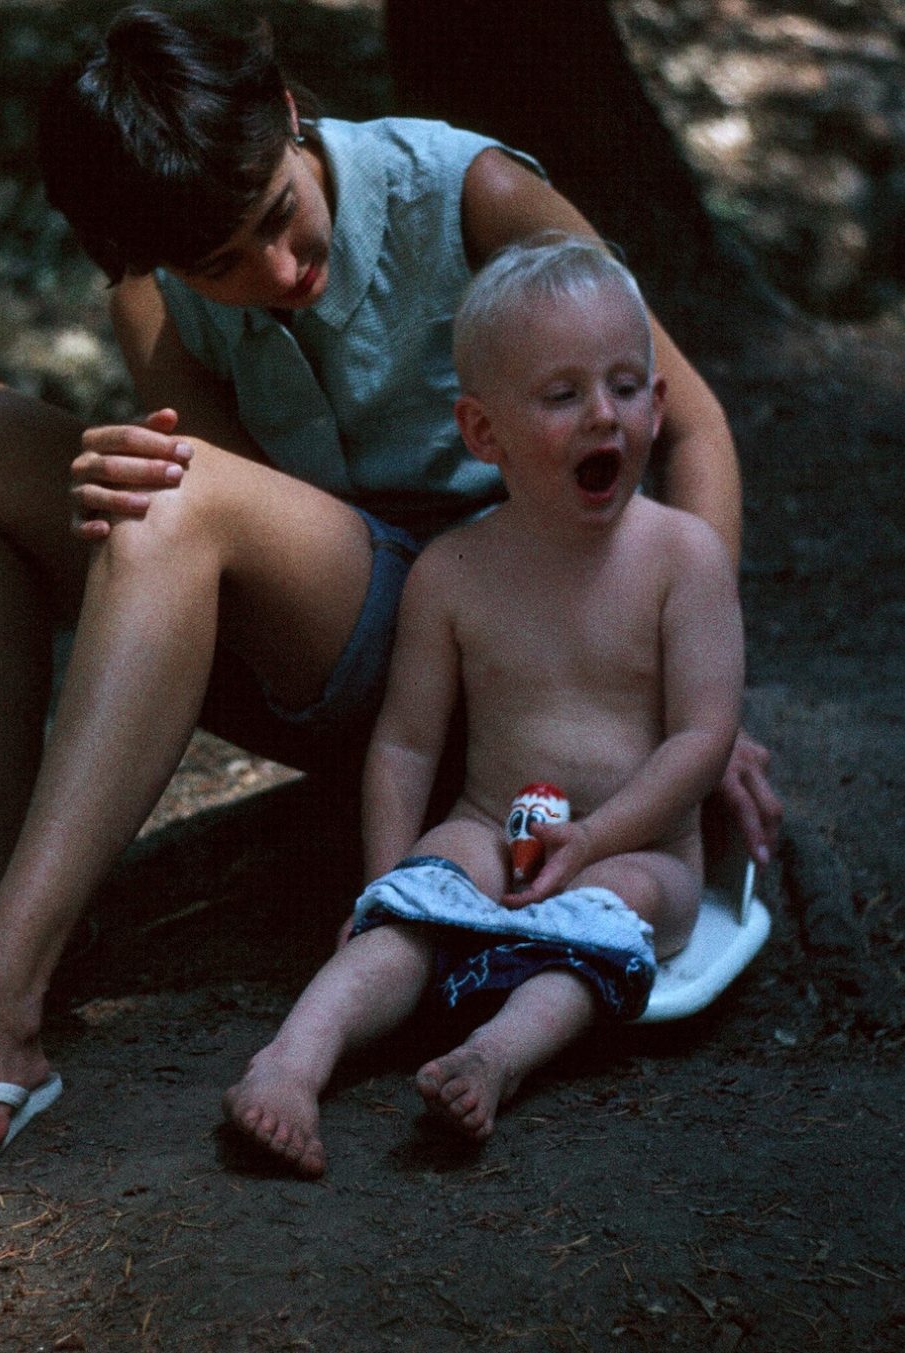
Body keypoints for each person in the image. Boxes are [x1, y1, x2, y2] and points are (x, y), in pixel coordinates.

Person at [0, 6, 781, 1207]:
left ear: (287, 113)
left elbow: (687, 424)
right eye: (222, 264)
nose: (276, 273)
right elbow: (230, 497)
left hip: (514, 663)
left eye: (277, 217)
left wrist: (689, 692)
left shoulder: (474, 192)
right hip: (353, 643)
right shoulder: (159, 288)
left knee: (173, 502)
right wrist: (104, 483)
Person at [223, 236, 741, 1177]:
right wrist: (381, 889)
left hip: (641, 851)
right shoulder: (455, 572)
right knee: (429, 885)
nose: (604, 416)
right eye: (561, 396)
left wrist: (594, 839)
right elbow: (407, 747)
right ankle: (292, 1060)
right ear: (482, 432)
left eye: (628, 386)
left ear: (659, 407)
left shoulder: (682, 558)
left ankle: (495, 1057)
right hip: (492, 827)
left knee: (607, 908)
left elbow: (703, 738)